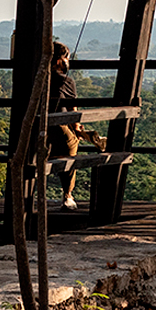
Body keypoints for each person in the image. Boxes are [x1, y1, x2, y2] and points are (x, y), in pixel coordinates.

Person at [47, 41, 88, 210]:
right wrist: (77, 128)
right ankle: (67, 194)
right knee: (72, 146)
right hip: (58, 128)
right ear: (60, 60)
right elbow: (73, 111)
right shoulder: (66, 81)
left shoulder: (36, 79)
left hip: (38, 129)